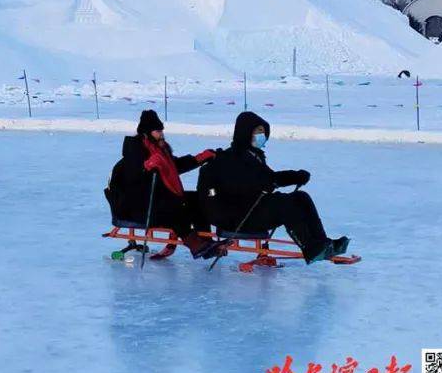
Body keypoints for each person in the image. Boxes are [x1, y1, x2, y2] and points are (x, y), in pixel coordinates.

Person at [197, 111, 349, 263]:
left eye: (263, 131)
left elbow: (269, 177)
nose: (262, 135)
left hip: (252, 208)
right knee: (285, 205)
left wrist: (295, 176)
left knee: (301, 197)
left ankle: (322, 243)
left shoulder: (253, 155)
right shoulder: (232, 158)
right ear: (246, 132)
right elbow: (248, 185)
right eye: (258, 131)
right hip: (237, 217)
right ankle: (310, 248)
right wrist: (269, 183)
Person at [105, 110, 220, 258]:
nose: (161, 134)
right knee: (174, 207)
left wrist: (199, 159)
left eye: (161, 130)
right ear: (146, 133)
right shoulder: (134, 150)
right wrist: (146, 167)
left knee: (196, 199)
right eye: (157, 131)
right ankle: (196, 245)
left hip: (157, 199)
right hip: (136, 206)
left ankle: (206, 241)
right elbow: (133, 177)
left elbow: (173, 166)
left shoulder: (159, 148)